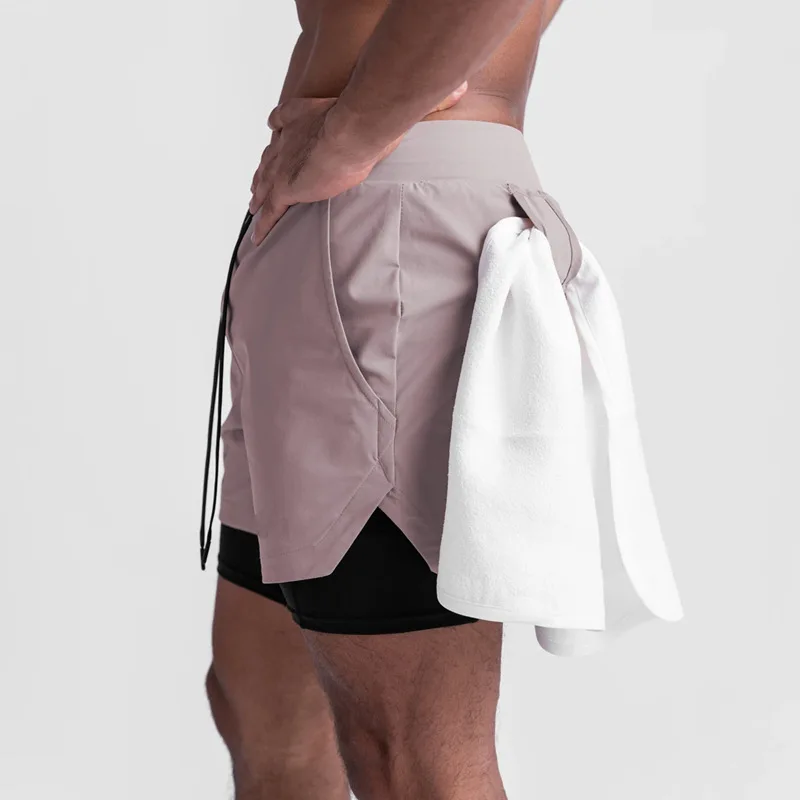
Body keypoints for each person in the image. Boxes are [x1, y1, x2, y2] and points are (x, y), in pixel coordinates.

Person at [202, 2, 566, 798]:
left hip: (389, 232)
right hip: (332, 237)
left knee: (406, 759)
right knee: (261, 706)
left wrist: (352, 132)